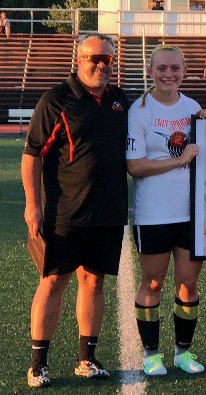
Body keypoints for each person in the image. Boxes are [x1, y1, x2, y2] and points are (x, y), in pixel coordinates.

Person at [21, 33, 130, 388]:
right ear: (78, 60)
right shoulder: (57, 99)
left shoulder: (119, 100)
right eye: (94, 58)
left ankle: (87, 358)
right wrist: (32, 205)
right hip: (65, 212)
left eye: (108, 60)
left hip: (108, 211)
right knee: (53, 281)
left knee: (94, 281)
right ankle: (38, 363)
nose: (101, 65)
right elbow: (32, 155)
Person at [126, 45, 206, 377]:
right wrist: (180, 160)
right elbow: (134, 166)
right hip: (154, 213)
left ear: (185, 71)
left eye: (175, 68)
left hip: (191, 212)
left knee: (188, 284)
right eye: (162, 68)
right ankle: (151, 354)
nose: (168, 74)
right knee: (151, 284)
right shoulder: (139, 111)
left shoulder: (192, 107)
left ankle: (183, 352)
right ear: (151, 71)